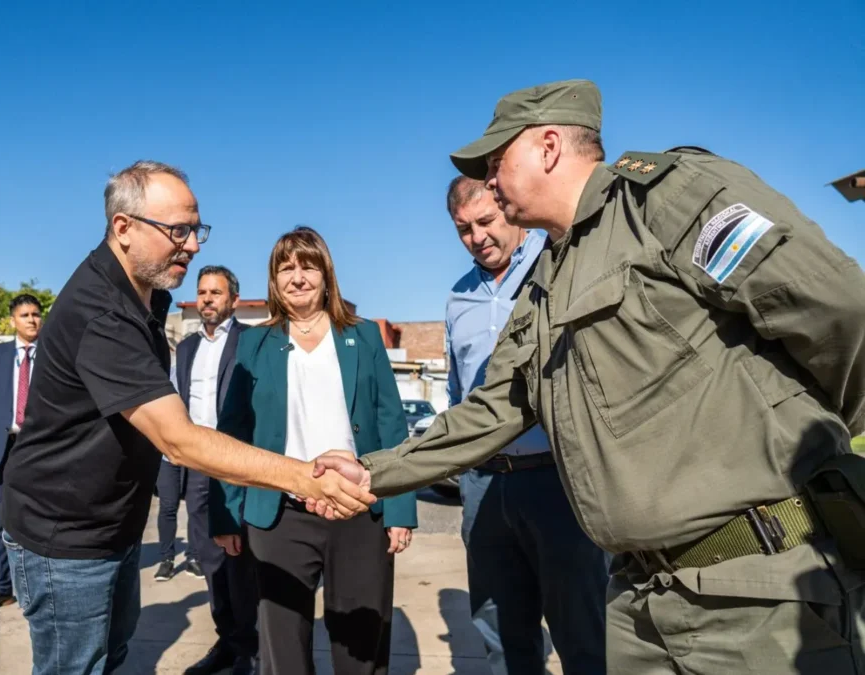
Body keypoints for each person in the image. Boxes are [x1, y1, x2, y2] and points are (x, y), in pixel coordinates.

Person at [311, 79, 865, 674]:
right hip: (639, 598)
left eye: (496, 163)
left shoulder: (666, 198)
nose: (490, 182)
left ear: (549, 146)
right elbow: (493, 408)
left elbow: (836, 309)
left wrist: (822, 437)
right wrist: (374, 471)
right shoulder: (545, 283)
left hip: (755, 588)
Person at [0, 161, 374, 675]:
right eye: (178, 230)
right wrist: (308, 477)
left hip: (110, 530)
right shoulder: (101, 312)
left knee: (110, 658)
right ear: (123, 227)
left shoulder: (147, 296)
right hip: (65, 539)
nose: (194, 245)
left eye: (197, 229)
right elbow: (178, 439)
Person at [210, 226, 418, 675]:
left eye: (308, 267)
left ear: (327, 276)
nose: (298, 277)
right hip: (280, 515)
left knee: (361, 648)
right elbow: (232, 433)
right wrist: (225, 514)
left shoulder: (363, 336)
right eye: (286, 268)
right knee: (282, 648)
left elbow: (391, 424)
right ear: (274, 279)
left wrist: (400, 509)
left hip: (358, 510)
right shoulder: (253, 343)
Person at [444, 175, 609, 674]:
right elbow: (458, 395)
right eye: (464, 229)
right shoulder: (458, 299)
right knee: (501, 635)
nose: (477, 237)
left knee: (583, 633)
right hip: (484, 484)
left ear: (506, 207)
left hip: (557, 480)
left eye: (486, 221)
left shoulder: (559, 263)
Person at [170, 265, 260, 675]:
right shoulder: (186, 347)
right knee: (209, 559)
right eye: (202, 292)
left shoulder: (251, 341)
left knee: (241, 560)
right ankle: (228, 641)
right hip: (197, 466)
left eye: (216, 293)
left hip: (237, 463)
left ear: (234, 300)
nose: (207, 299)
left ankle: (251, 651)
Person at [0, 293, 44, 606]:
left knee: (38, 519)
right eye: (25, 315)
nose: (31, 320)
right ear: (13, 320)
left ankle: (38, 584)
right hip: (0, 448)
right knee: (2, 521)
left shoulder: (53, 353)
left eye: (36, 314)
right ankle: (2, 586)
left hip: (38, 449)